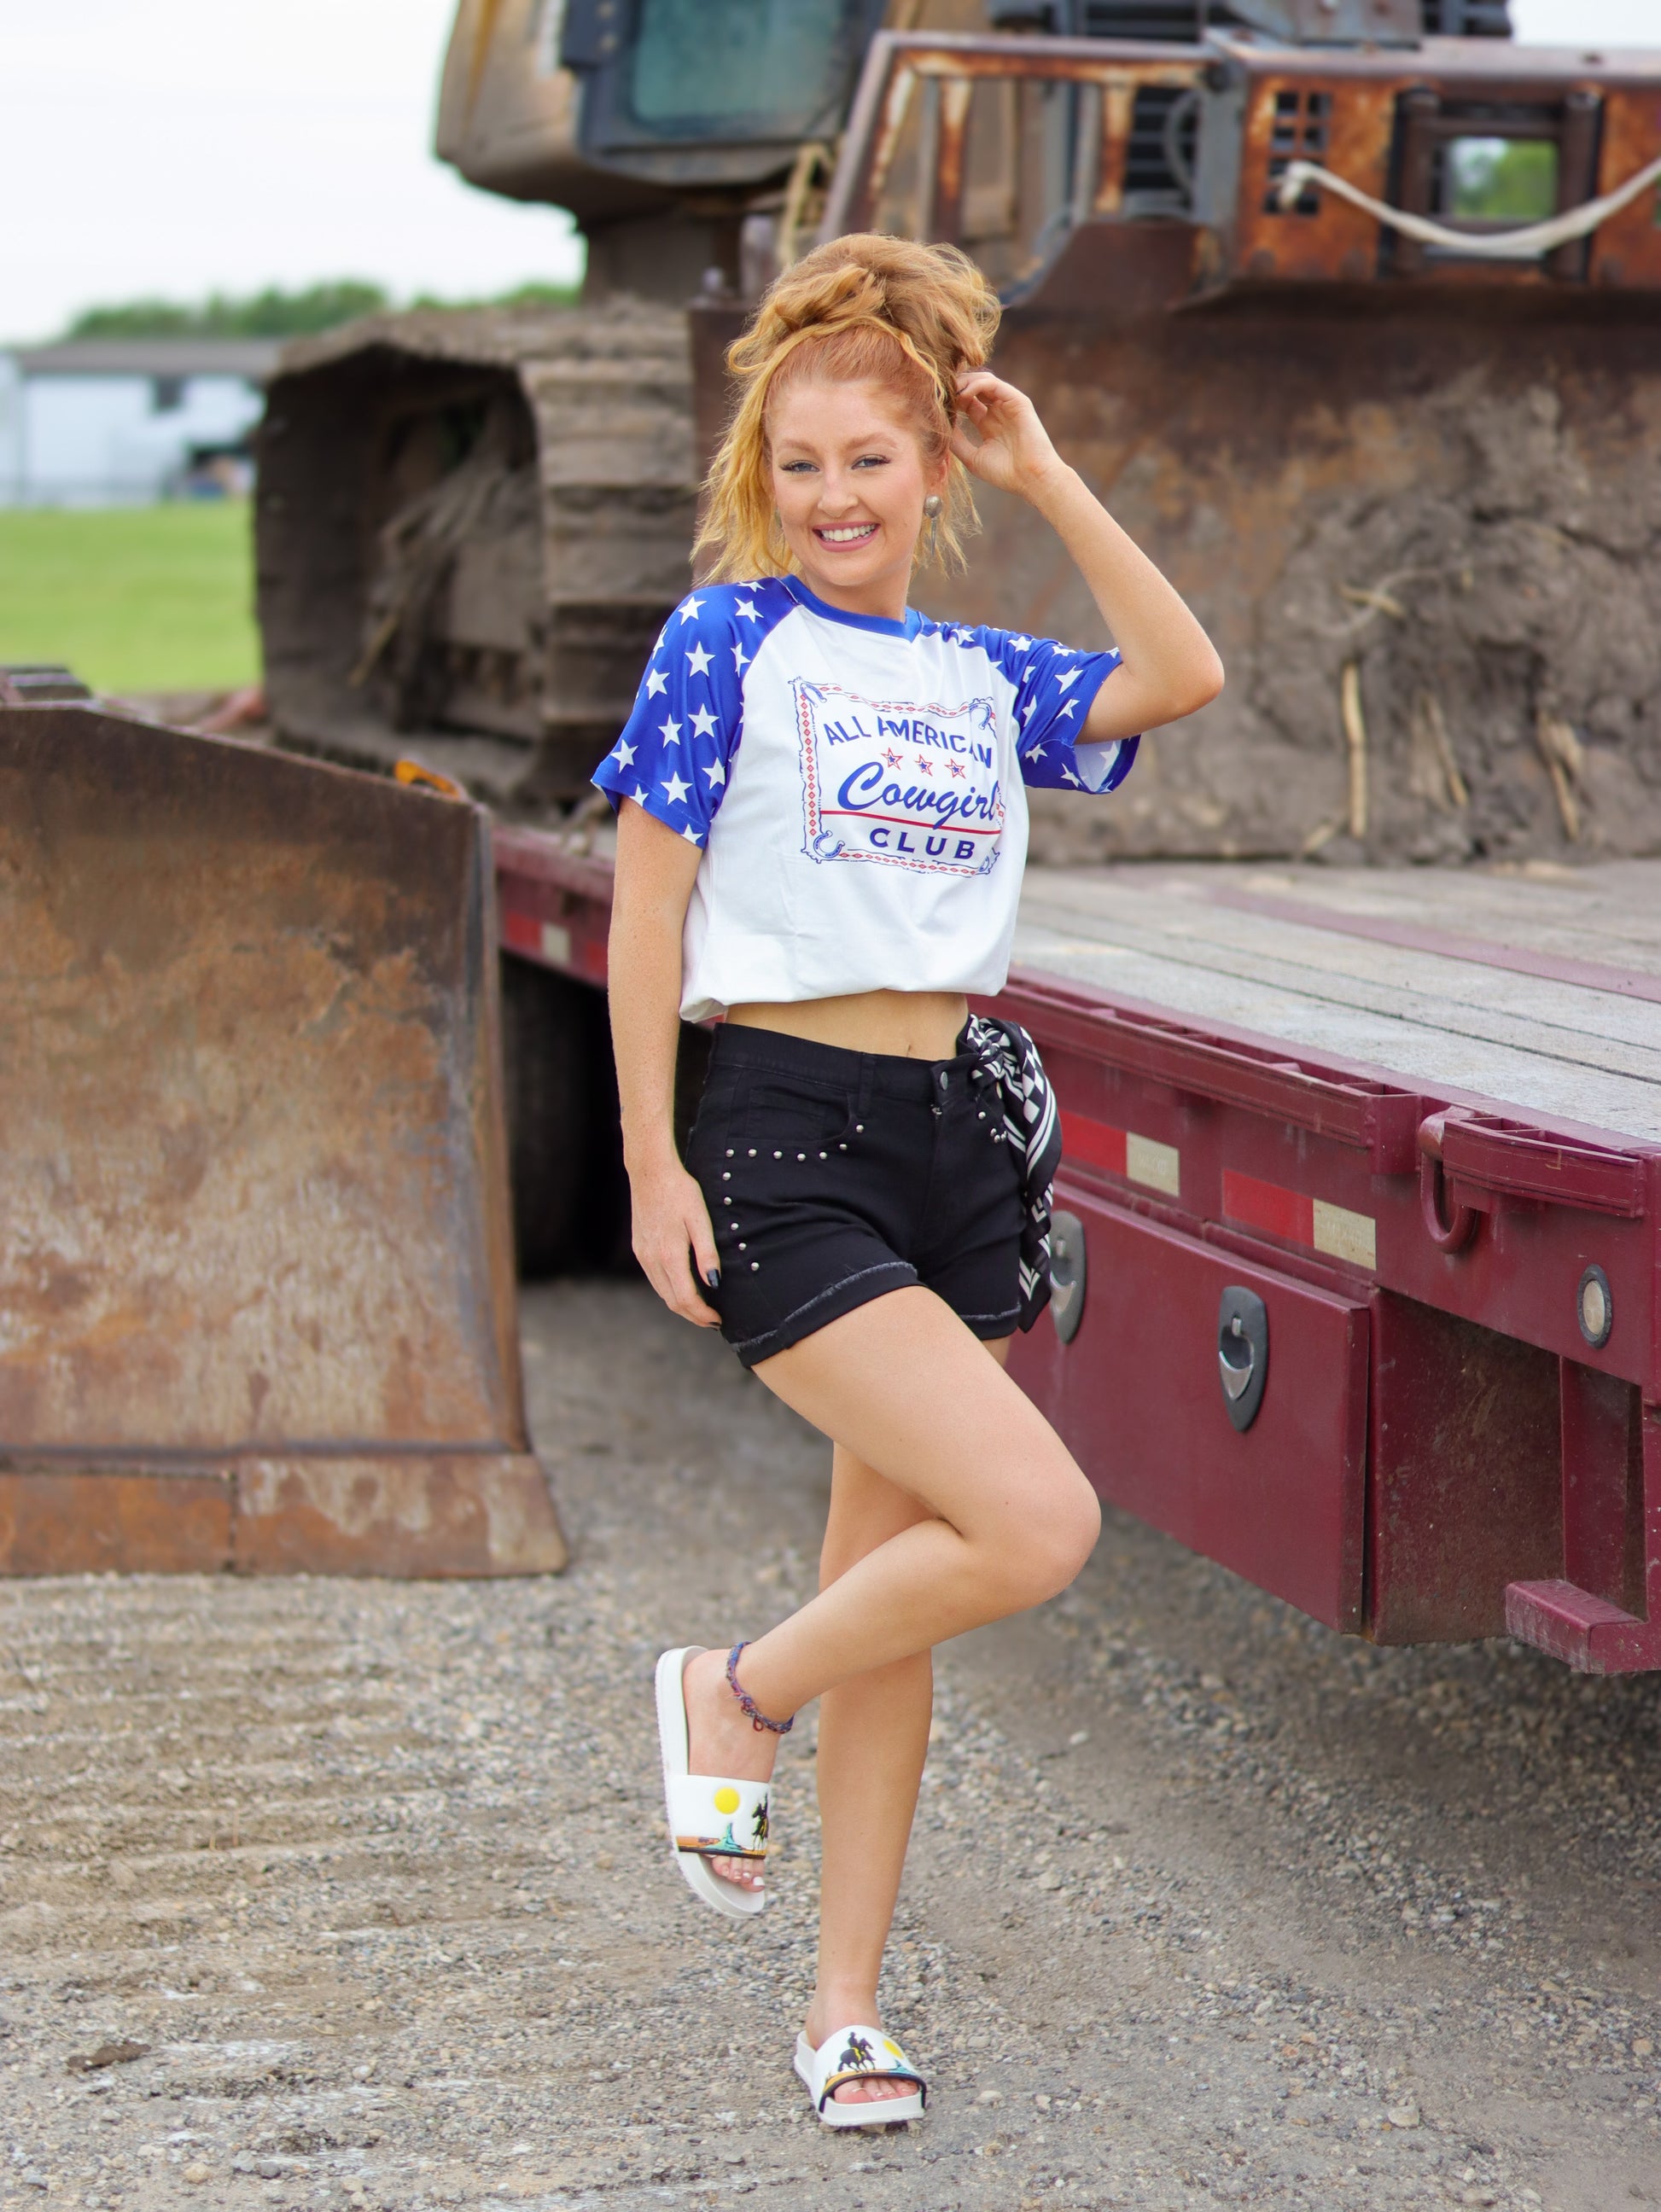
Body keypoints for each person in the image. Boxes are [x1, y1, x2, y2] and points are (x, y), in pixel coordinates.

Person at [593, 232, 1221, 2129]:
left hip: (956, 1140)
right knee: (1034, 1525)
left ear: (932, 470)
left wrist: (1049, 472)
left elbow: (1179, 673)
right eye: (797, 464)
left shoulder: (974, 676)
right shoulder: (726, 642)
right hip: (782, 1133)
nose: (833, 496)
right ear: (760, 478)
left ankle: (843, 2010)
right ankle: (734, 1694)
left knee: (896, 1583)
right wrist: (648, 1162)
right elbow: (644, 916)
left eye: (870, 460)